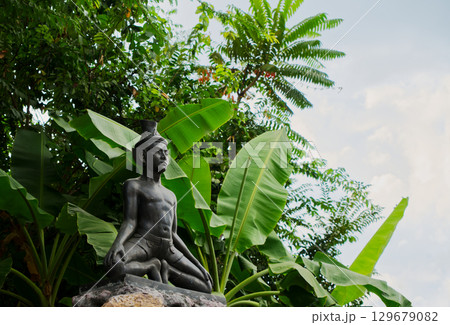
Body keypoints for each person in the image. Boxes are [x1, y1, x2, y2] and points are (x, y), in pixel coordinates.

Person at [104, 121, 212, 293]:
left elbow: (174, 234)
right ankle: (151, 266)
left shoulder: (171, 195)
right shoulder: (134, 185)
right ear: (144, 157)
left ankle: (168, 270)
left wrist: (198, 264)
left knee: (206, 285)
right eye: (158, 152)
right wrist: (118, 244)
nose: (164, 156)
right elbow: (130, 221)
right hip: (144, 242)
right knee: (114, 268)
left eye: (165, 153)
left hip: (168, 248)